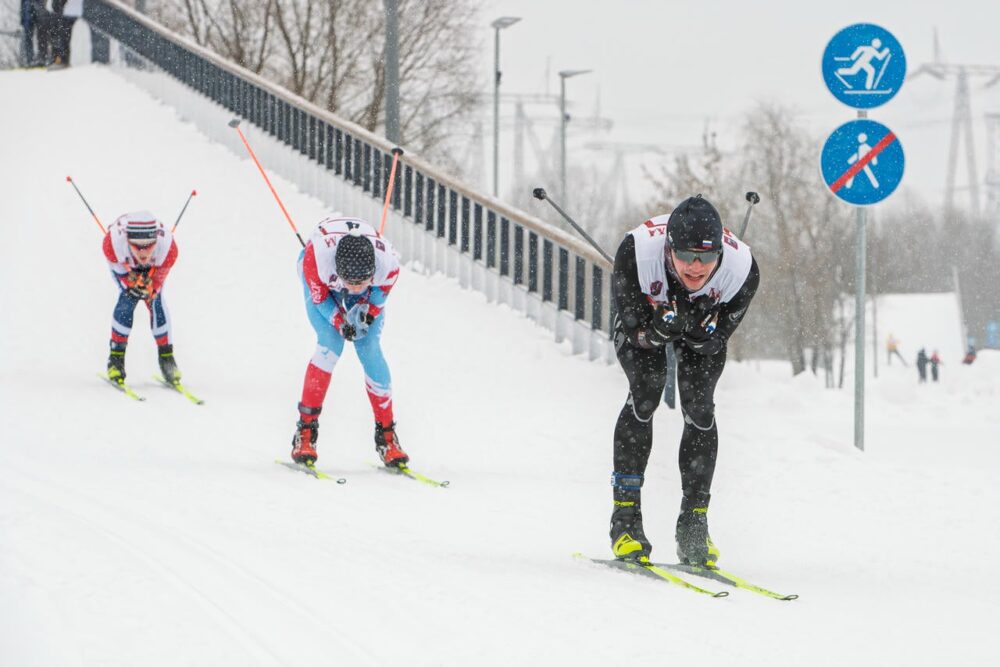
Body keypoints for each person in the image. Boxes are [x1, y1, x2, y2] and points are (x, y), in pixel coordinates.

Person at [609, 194, 759, 567]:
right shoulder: (636, 253)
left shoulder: (742, 269)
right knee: (647, 390)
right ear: (668, 248)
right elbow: (633, 332)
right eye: (687, 256)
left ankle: (693, 523)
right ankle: (625, 520)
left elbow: (721, 333)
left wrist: (709, 336)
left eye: (707, 258)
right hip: (648, 316)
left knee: (700, 407)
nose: (696, 267)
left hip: (699, 320)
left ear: (720, 253)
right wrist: (655, 333)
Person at [290, 216, 408, 469]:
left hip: (359, 279)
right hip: (323, 283)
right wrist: (339, 321)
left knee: (369, 348)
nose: (353, 290)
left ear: (371, 275)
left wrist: (367, 315)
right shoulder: (316, 260)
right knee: (331, 344)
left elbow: (376, 301)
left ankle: (387, 436)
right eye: (349, 284)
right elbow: (321, 301)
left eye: (360, 284)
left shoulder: (388, 266)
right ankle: (306, 432)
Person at [102, 211, 182, 386]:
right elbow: (121, 278)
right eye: (137, 246)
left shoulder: (169, 249)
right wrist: (130, 285)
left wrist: (151, 288)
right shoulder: (112, 245)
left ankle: (166, 357)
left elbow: (158, 282)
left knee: (156, 300)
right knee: (127, 299)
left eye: (149, 245)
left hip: (155, 268)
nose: (144, 252)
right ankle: (116, 359)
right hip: (126, 267)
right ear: (128, 241)